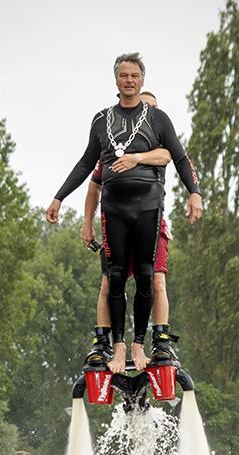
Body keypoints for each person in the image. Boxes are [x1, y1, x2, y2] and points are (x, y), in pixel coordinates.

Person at [46, 53, 202, 374]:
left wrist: (195, 194)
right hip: (114, 209)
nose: (129, 80)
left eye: (134, 75)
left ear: (142, 79)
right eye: (123, 75)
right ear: (116, 80)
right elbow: (85, 164)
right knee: (114, 277)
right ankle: (116, 348)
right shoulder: (102, 120)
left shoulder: (159, 119)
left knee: (147, 276)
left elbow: (180, 158)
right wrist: (59, 198)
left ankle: (138, 345)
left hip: (148, 207)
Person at [80, 91, 178, 366]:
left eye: (153, 110)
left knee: (156, 279)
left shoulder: (162, 145)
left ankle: (160, 341)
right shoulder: (113, 146)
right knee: (110, 282)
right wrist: (87, 223)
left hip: (151, 224)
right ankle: (104, 343)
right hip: (118, 221)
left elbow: (171, 157)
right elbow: (93, 184)